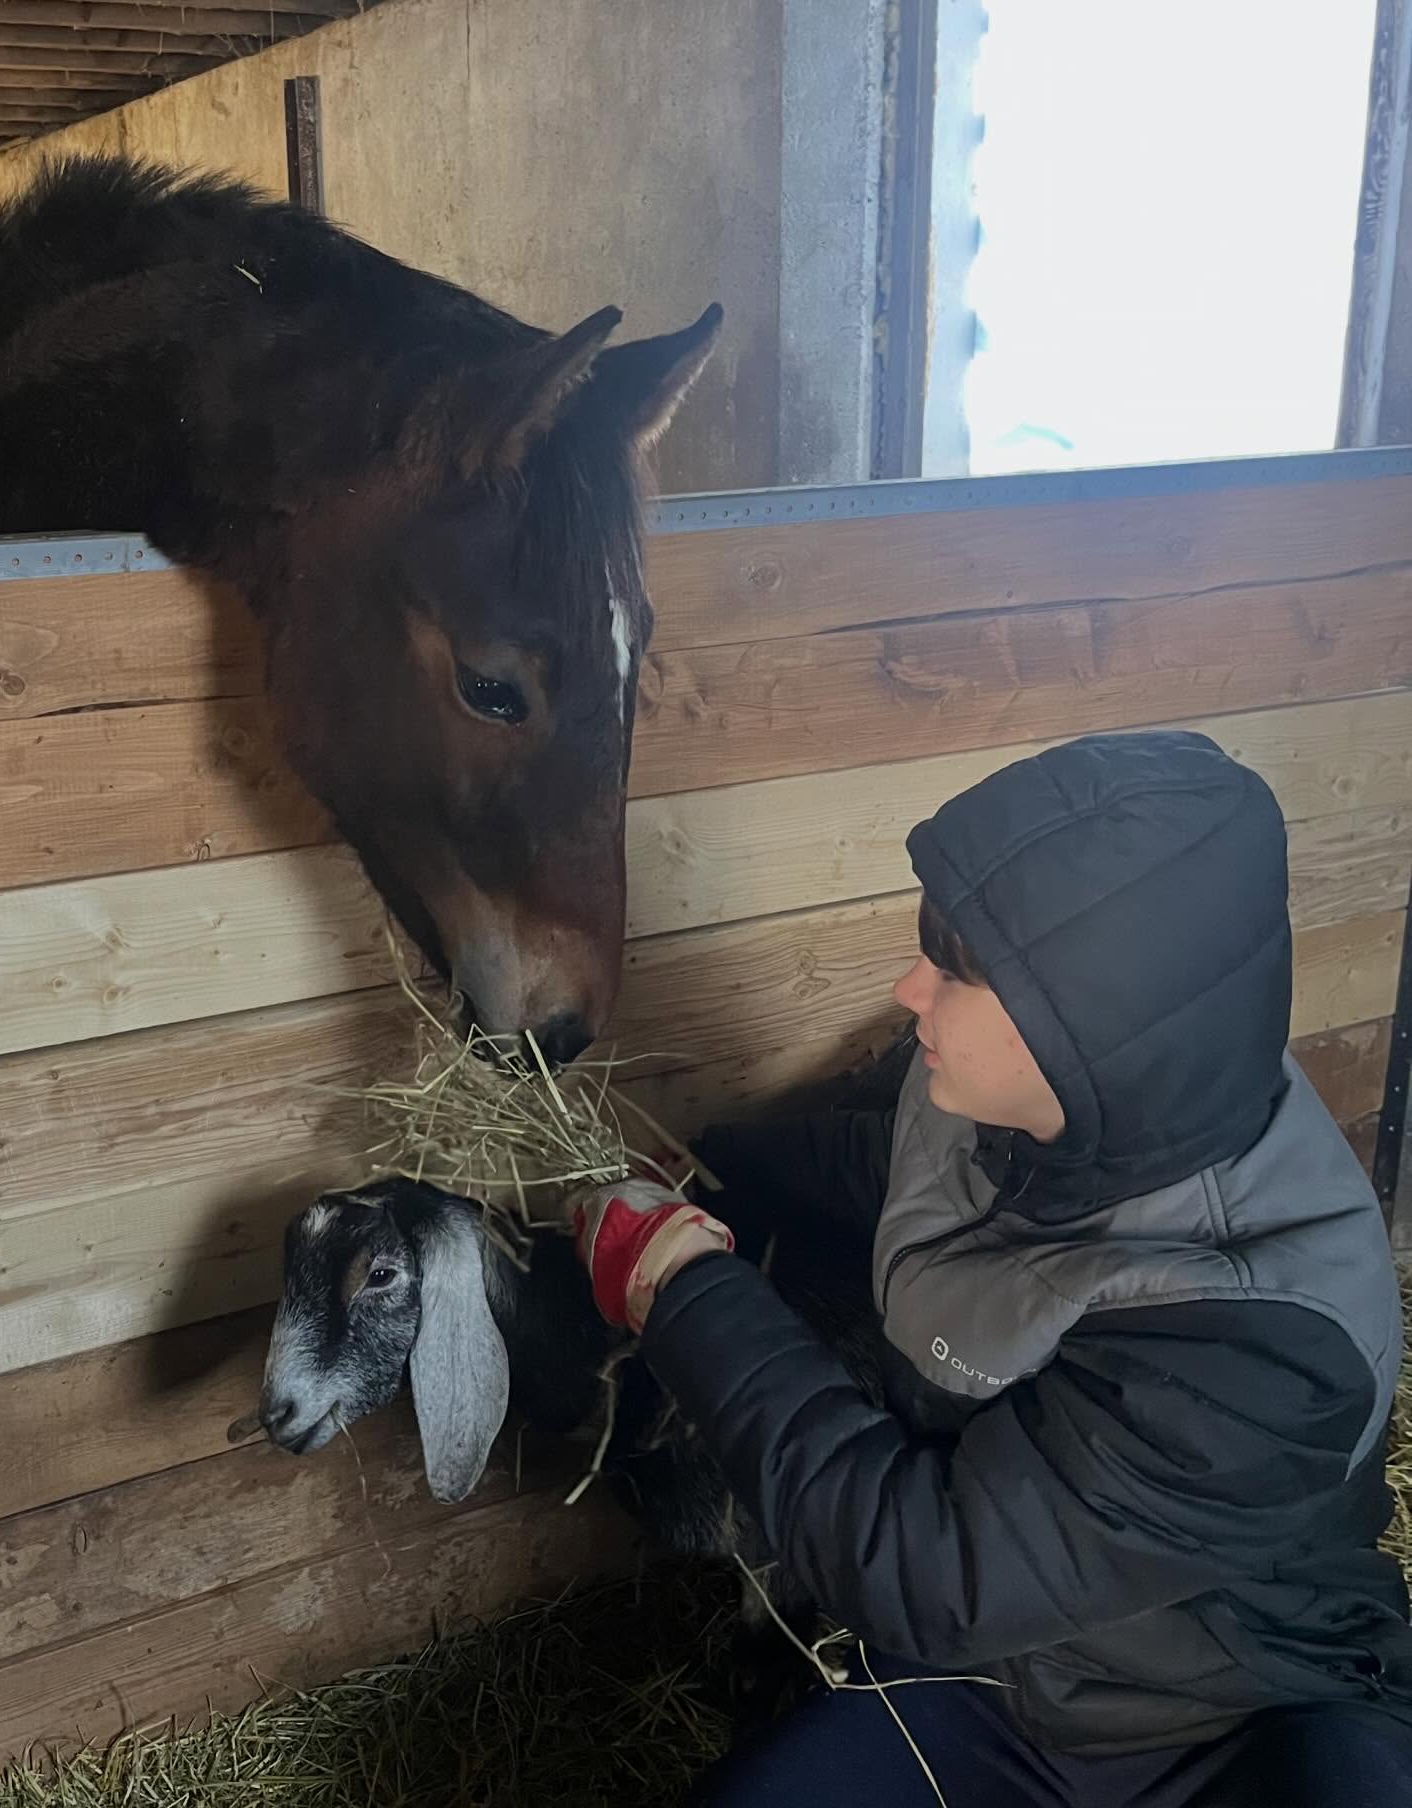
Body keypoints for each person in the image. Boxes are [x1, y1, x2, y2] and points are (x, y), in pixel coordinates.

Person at [569, 729, 1412, 1806]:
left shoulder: (1265, 1339)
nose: (908, 987)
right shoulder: (1037, 1100)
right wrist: (709, 1171)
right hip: (1003, 1689)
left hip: (1243, 1714)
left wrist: (677, 1287)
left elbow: (930, 1569)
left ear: (1088, 1027)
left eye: (955, 969)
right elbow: (899, 1168)